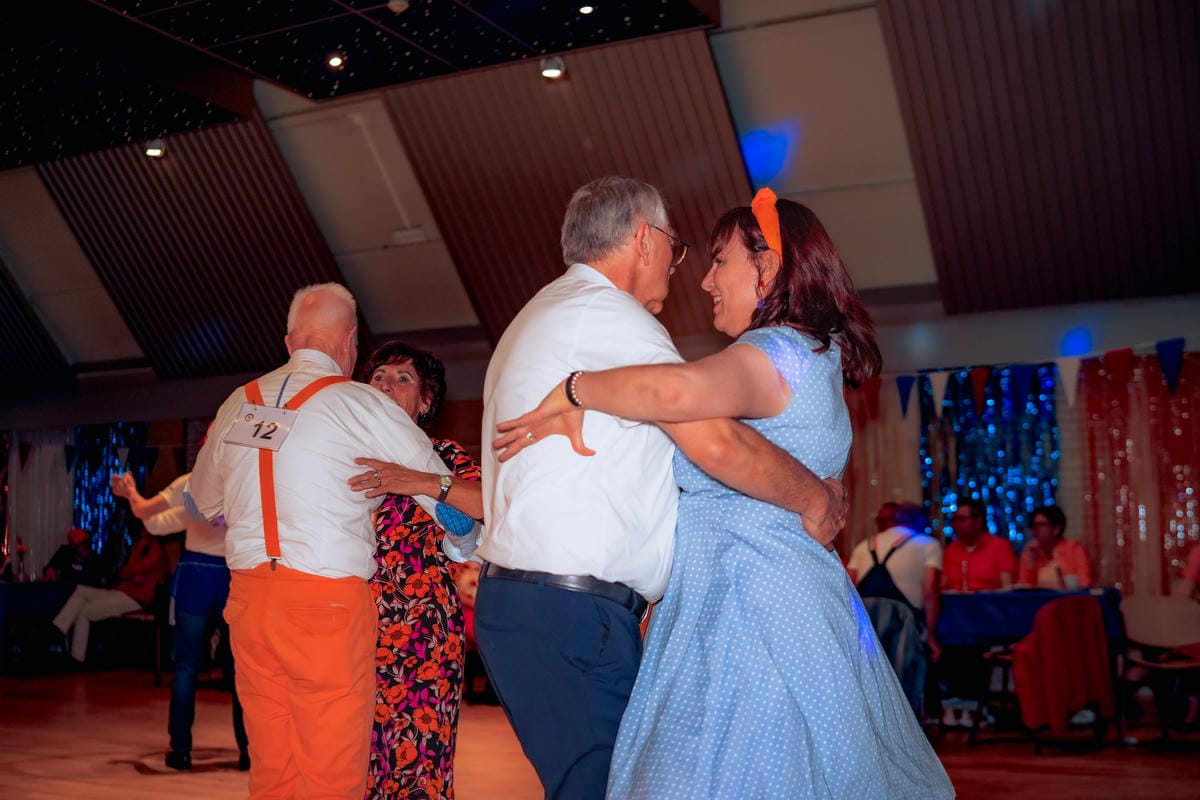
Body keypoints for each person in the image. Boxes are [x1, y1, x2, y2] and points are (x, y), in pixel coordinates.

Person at [495, 187, 951, 799]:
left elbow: (677, 394)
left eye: (719, 261)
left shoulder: (773, 348)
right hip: (779, 595)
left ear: (768, 266)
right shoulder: (816, 355)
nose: (707, 280)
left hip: (745, 605)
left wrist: (575, 387)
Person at [186, 282, 459, 799]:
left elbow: (200, 502)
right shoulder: (358, 402)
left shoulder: (238, 403)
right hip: (326, 606)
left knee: (273, 768)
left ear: (290, 341)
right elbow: (447, 503)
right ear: (350, 341)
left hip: (249, 603)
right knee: (331, 771)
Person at [346, 340, 483, 800]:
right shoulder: (340, 454)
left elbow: (486, 504)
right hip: (351, 625)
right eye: (378, 376)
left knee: (416, 760)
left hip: (421, 633)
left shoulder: (442, 454)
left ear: (425, 401)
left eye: (403, 378)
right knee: (351, 763)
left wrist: (416, 480)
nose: (387, 384)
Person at [111, 470, 249, 772]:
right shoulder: (243, 475)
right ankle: (249, 750)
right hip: (233, 575)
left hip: (196, 574)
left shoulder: (193, 480)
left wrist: (131, 493)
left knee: (186, 667)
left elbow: (150, 518)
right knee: (241, 670)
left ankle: (181, 750)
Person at [847, 502, 943, 714]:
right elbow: (930, 590)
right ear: (921, 521)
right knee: (903, 678)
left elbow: (848, 586)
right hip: (903, 618)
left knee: (868, 677)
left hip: (864, 616)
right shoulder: (928, 544)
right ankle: (904, 727)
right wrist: (931, 636)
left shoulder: (865, 545)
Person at [52, 526, 168, 663]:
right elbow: (124, 572)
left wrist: (132, 569)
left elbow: (127, 571)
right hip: (122, 592)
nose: (142, 530)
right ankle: (58, 630)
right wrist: (131, 574)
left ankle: (76, 658)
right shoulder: (142, 547)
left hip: (136, 600)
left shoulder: (155, 551)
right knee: (81, 590)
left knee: (85, 611)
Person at [940, 499, 1017, 592]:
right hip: (956, 601)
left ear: (978, 521)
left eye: (961, 519)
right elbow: (942, 586)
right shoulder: (951, 550)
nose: (956, 524)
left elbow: (1008, 589)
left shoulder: (1000, 546)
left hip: (990, 600)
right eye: (954, 519)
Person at [1016, 504, 1093, 589]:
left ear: (1056, 529)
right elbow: (1023, 588)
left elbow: (1085, 584)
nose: (1036, 529)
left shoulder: (1074, 549)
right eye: (1033, 525)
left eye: (1041, 525)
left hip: (1072, 596)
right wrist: (1030, 564)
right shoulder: (1029, 552)